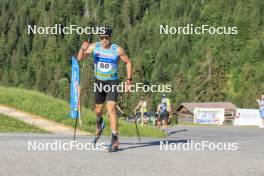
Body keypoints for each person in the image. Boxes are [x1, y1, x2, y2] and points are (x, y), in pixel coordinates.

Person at [77, 26, 132, 152]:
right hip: (99, 82)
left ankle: (114, 139)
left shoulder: (117, 50)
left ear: (110, 37)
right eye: (102, 38)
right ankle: (100, 123)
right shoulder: (94, 47)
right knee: (98, 110)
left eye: (106, 38)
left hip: (112, 82)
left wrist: (129, 81)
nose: (104, 40)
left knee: (111, 107)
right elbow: (79, 59)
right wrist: (82, 48)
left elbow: (128, 62)